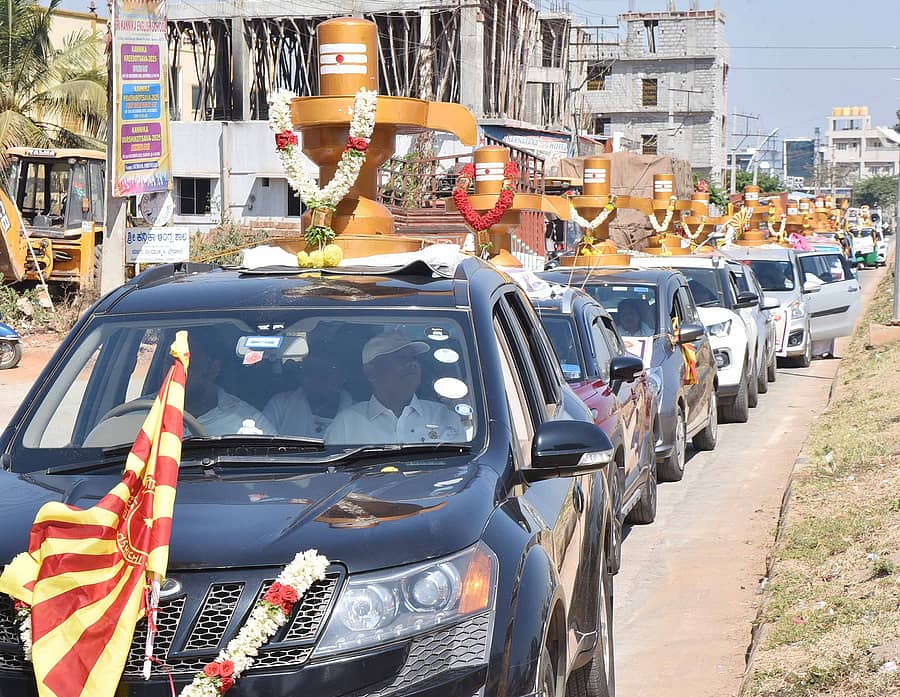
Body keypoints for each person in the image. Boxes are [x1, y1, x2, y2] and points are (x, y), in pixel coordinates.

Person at [325, 332, 463, 445]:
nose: (412, 364)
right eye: (401, 358)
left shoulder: (445, 417)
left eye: (413, 358)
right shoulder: (347, 423)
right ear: (371, 372)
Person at [185, 333, 275, 436]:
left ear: (213, 369)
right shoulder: (161, 413)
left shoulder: (252, 425)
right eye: (169, 362)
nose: (172, 371)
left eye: (185, 364)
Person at [263, 346, 353, 437]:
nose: (317, 378)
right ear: (300, 376)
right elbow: (263, 442)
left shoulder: (359, 413)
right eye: (310, 370)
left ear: (343, 375)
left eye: (326, 371)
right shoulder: (280, 405)